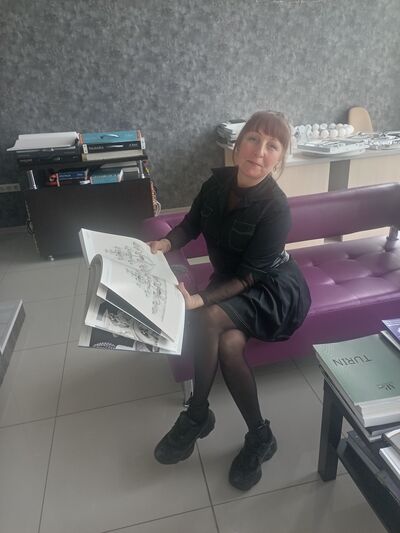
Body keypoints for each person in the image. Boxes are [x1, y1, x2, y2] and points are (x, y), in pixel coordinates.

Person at [147, 110, 311, 491]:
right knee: (229, 344)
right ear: (238, 146)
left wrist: (200, 299)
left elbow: (249, 276)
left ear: (280, 158)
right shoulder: (216, 184)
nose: (260, 151)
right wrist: (166, 242)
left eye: (272, 146)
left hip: (270, 288)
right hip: (232, 283)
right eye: (253, 139)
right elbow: (191, 224)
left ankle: (197, 415)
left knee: (206, 317)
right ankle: (261, 436)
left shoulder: (276, 208)